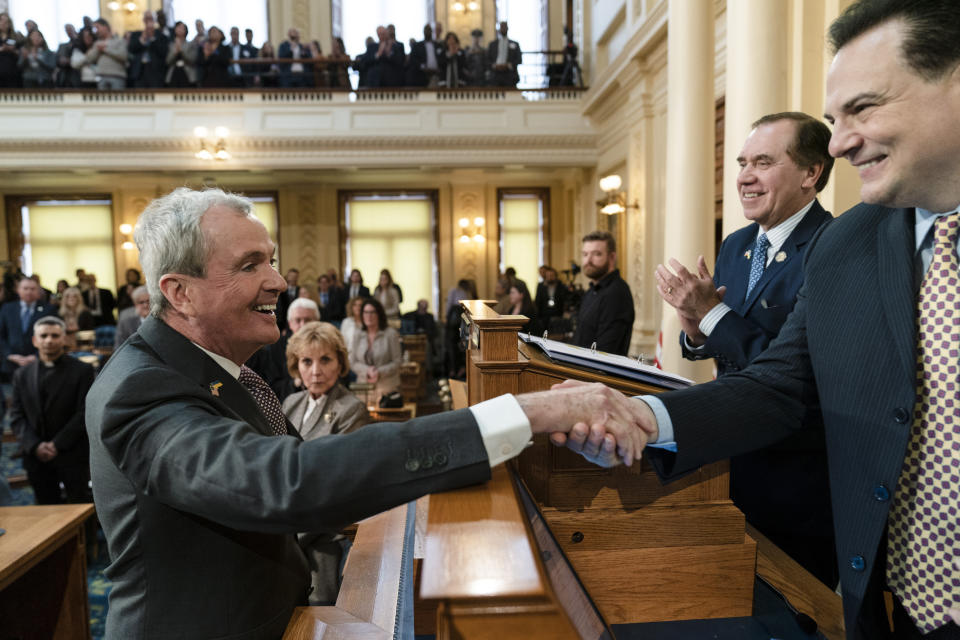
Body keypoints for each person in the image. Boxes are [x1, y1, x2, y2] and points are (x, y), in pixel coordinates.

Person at [551, 2, 960, 637]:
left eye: (865, 108)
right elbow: (779, 383)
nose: (844, 140)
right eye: (834, 119)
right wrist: (641, 416)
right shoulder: (850, 244)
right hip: (896, 605)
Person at [86, 187, 648, 639]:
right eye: (250, 264)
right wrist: (524, 412)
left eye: (273, 261)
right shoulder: (140, 390)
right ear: (179, 293)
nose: (278, 281)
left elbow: (304, 463)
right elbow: (285, 482)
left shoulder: (215, 368)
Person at [658, 111, 838, 586]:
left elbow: (795, 368)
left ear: (810, 173)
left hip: (795, 484)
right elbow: (726, 344)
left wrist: (713, 316)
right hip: (730, 467)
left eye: (762, 161)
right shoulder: (736, 245)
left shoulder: (831, 247)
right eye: (741, 162)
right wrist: (695, 331)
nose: (743, 177)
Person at [281, 320, 370, 604]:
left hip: (324, 532)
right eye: (307, 361)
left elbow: (337, 482)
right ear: (297, 366)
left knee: (319, 614)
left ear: (340, 363)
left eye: (325, 360)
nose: (316, 371)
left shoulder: (351, 409)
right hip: (286, 525)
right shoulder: (290, 404)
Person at [10, 316, 95, 505]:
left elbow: (84, 412)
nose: (49, 340)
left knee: (79, 508)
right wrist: (35, 445)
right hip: (36, 456)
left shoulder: (82, 371)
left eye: (55, 335)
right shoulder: (21, 375)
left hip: (71, 453)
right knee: (46, 509)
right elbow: (17, 416)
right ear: (35, 340)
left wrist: (57, 444)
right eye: (44, 335)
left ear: (64, 339)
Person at [572, 230, 634, 356]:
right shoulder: (591, 290)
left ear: (612, 257)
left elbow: (606, 351)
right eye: (585, 254)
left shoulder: (616, 293)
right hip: (579, 368)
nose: (588, 261)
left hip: (597, 374)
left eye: (597, 254)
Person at [247, 296, 319, 402]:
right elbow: (270, 387)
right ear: (290, 324)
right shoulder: (274, 348)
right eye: (298, 320)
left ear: (317, 321)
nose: (303, 325)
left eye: (308, 320)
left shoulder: (329, 345)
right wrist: (295, 383)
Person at [349, 297, 402, 401]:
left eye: (372, 312)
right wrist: (367, 370)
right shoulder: (358, 334)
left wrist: (379, 372)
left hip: (387, 387)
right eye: (365, 312)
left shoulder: (391, 334)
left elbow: (397, 361)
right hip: (363, 388)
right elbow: (352, 361)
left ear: (379, 314)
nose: (368, 316)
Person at [0, 277, 49, 377]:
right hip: (11, 364)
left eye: (32, 289)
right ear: (18, 290)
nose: (29, 292)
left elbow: (51, 336)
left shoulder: (48, 309)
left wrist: (37, 356)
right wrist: (9, 355)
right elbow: (1, 335)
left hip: (39, 364)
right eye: (25, 288)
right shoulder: (7, 308)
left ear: (38, 291)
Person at [128, 10, 167, 89]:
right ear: (143, 20)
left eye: (151, 19)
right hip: (139, 72)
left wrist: (152, 37)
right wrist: (142, 38)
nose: (149, 21)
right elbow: (131, 49)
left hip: (156, 72)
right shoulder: (136, 35)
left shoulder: (161, 36)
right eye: (147, 19)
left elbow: (163, 52)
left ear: (154, 20)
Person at [86, 18, 127, 90]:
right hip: (101, 77)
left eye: (97, 27)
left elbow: (123, 56)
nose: (96, 31)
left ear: (105, 27)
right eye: (95, 29)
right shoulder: (97, 43)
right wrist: (97, 50)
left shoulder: (119, 41)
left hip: (117, 77)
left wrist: (106, 49)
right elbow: (89, 59)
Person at [534, 266, 568, 334]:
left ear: (556, 276)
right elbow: (537, 301)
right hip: (544, 316)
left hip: (557, 315)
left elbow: (565, 300)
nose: (550, 277)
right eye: (548, 276)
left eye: (552, 275)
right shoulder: (541, 286)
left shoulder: (561, 286)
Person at [487, 21, 521, 87]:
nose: (503, 29)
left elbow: (519, 59)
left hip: (510, 75)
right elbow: (488, 59)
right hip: (495, 75)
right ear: (499, 29)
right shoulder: (492, 44)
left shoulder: (515, 44)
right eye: (502, 27)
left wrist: (508, 65)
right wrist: (495, 66)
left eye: (505, 27)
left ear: (507, 28)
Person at [164, 21, 197, 88]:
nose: (180, 29)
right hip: (173, 74)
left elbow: (192, 60)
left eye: (182, 28)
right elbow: (167, 61)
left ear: (186, 30)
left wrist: (181, 51)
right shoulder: (171, 45)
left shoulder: (191, 44)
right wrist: (175, 52)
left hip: (187, 75)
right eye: (178, 27)